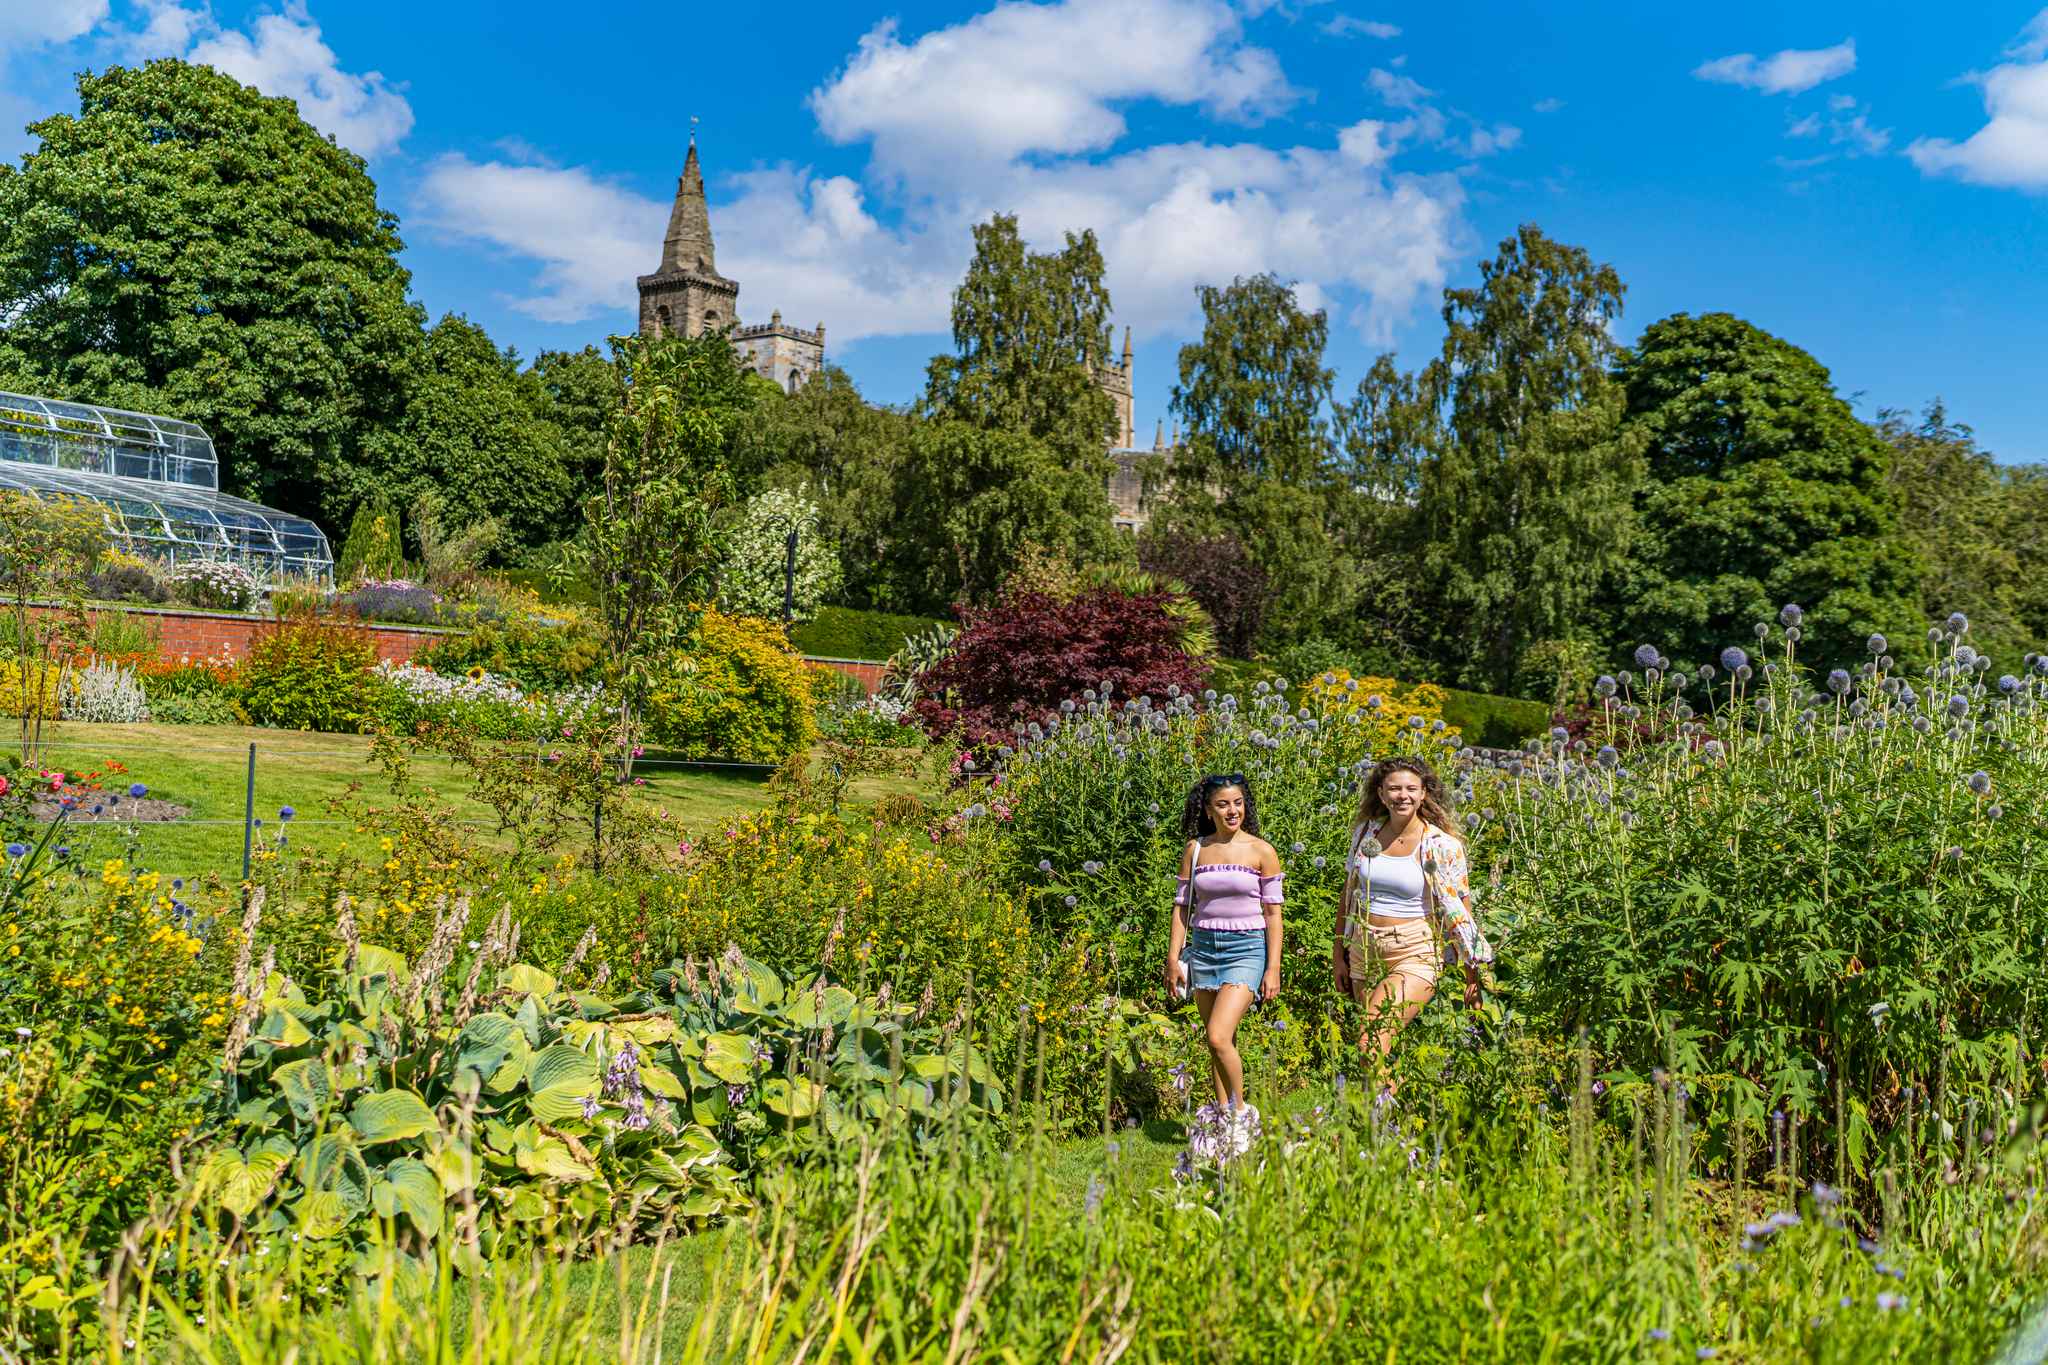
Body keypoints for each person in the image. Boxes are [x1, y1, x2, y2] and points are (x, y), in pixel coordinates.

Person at [1333, 756, 1492, 1091]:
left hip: (1415, 948)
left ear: (1423, 795)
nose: (1401, 795)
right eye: (1393, 788)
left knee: (1370, 1040)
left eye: (1410, 789)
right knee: (1376, 1049)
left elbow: (1461, 910)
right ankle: (1396, 1122)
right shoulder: (1365, 834)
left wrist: (1472, 975)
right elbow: (1348, 893)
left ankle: (1385, 1123)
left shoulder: (1442, 845)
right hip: (1364, 946)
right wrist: (1339, 955)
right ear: (1380, 792)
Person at [1165, 773, 1284, 1133]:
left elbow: (1274, 913)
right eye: (1223, 804)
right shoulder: (1196, 849)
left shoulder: (1262, 851)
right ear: (1208, 809)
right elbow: (1182, 907)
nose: (1232, 811)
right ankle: (1223, 1118)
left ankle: (1243, 1113)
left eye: (1238, 803)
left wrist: (1273, 967)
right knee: (1218, 1042)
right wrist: (1173, 959)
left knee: (1217, 1035)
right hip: (1203, 949)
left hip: (1247, 949)